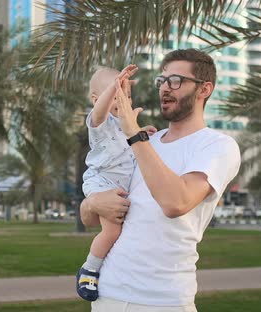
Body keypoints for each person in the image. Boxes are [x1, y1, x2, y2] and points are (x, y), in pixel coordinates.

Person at [80, 49, 241, 311]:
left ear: (204, 89)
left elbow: (175, 203)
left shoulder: (217, 146)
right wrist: (93, 202)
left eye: (176, 81)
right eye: (162, 81)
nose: (165, 88)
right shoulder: (146, 140)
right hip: (107, 293)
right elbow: (89, 217)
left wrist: (133, 133)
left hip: (162, 299)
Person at [77, 65, 157, 301]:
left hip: (120, 187)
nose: (123, 98)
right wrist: (114, 87)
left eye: (127, 94)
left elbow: (129, 141)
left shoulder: (126, 125)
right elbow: (100, 113)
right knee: (112, 231)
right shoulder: (99, 124)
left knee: (122, 229)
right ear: (97, 99)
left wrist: (142, 130)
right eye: (115, 94)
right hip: (102, 183)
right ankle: (89, 270)